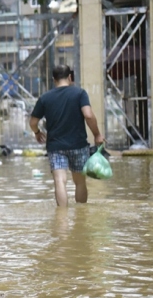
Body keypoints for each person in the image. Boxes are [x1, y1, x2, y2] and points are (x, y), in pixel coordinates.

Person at [30, 64, 104, 207]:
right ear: (70, 77)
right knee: (80, 182)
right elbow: (88, 115)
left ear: (53, 79)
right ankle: (81, 215)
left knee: (59, 181)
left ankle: (62, 217)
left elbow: (33, 122)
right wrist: (97, 134)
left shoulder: (45, 98)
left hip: (55, 146)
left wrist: (37, 132)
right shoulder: (80, 93)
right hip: (78, 145)